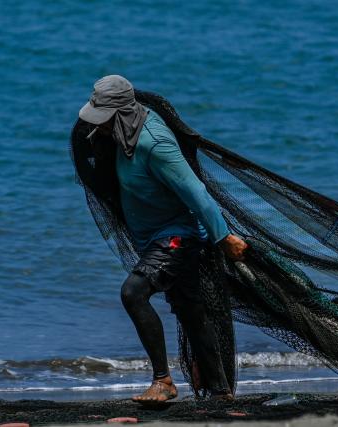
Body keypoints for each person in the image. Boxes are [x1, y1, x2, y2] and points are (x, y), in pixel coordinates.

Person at [78, 75, 248, 403]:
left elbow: (195, 191)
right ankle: (220, 392)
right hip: (155, 237)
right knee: (190, 311)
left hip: (177, 237)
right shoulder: (121, 132)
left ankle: (163, 381)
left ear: (123, 113)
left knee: (133, 292)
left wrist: (223, 237)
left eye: (104, 117)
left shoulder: (154, 144)